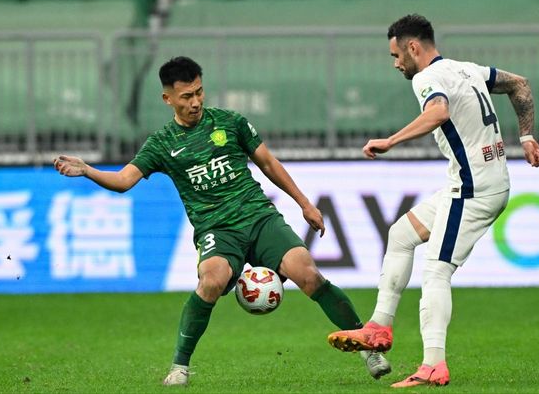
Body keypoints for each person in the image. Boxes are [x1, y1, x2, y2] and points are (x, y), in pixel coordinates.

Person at [54, 56, 390, 386]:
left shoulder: (230, 122)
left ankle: (367, 347)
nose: (195, 102)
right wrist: (88, 170)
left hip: (258, 217)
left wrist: (304, 204)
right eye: (186, 96)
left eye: (199, 92)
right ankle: (180, 367)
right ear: (167, 98)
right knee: (211, 281)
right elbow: (124, 180)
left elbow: (268, 163)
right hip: (216, 229)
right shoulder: (161, 144)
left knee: (308, 273)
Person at [327, 14, 539, 388]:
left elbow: (438, 111)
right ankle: (379, 327)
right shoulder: (468, 69)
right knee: (400, 235)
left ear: (413, 47)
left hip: (473, 190)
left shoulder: (427, 78)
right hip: (477, 182)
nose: (396, 64)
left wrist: (390, 141)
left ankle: (433, 365)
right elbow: (519, 85)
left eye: (396, 55)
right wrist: (526, 137)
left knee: (436, 272)